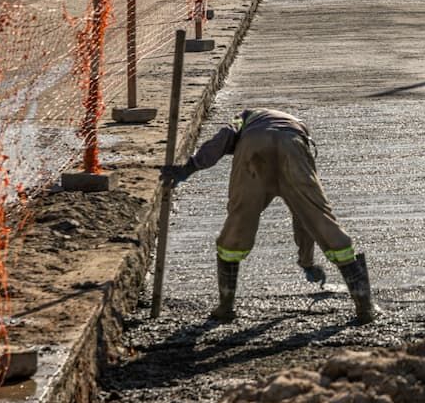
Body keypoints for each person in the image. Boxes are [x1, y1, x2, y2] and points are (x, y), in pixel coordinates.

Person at [161, 108, 380, 325]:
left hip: (253, 147)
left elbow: (224, 136)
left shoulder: (244, 118)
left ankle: (226, 307)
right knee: (318, 217)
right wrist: (307, 262)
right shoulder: (294, 123)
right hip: (293, 144)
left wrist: (190, 168)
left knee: (239, 221)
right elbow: (303, 219)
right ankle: (364, 307)